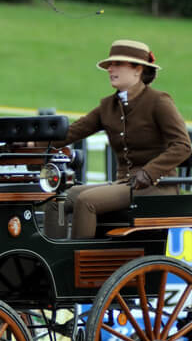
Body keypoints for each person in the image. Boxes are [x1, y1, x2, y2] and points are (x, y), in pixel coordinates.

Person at [44, 39, 191, 239]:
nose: (110, 69)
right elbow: (72, 132)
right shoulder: (108, 106)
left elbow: (182, 146)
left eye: (118, 64)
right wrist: (31, 144)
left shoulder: (159, 101)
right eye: (110, 65)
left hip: (157, 186)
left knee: (86, 201)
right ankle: (57, 252)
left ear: (138, 70)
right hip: (124, 184)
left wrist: (149, 172)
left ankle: (78, 256)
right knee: (58, 201)